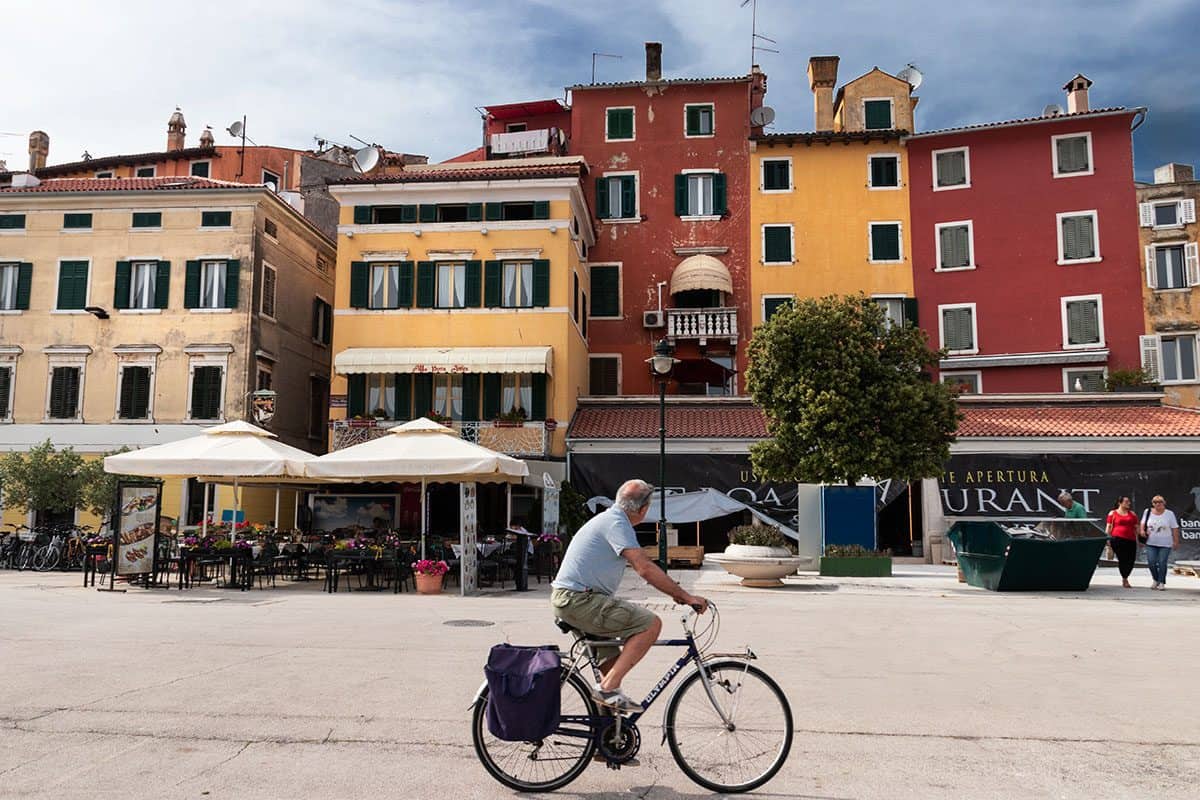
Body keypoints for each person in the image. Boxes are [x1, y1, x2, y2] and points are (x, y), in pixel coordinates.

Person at [551, 479, 708, 713]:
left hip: (577, 600)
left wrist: (676, 593)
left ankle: (605, 743)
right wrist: (686, 596)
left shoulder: (611, 519)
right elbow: (643, 567)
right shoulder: (617, 523)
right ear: (643, 509)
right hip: (579, 600)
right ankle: (607, 688)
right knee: (650, 625)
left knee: (613, 670)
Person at [1140, 496, 1181, 590]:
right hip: (1151, 542)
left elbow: (1174, 528)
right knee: (1151, 562)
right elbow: (1142, 523)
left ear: (1164, 503)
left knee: (1162, 562)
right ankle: (1155, 579)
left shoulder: (1169, 514)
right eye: (1155, 502)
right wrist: (1142, 531)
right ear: (1152, 503)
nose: (1158, 504)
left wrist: (1176, 541)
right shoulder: (1147, 512)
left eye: (1160, 502)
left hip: (1165, 543)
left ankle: (1161, 582)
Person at [1105, 496, 1139, 589]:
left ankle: (1126, 575)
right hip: (1117, 539)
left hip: (1131, 540)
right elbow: (1108, 527)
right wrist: (1107, 539)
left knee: (1131, 560)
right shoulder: (1113, 513)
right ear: (1120, 503)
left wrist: (1139, 539)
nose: (1129, 503)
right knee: (1123, 559)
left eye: (1129, 502)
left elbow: (1136, 528)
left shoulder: (1132, 514)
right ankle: (1125, 578)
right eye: (1126, 501)